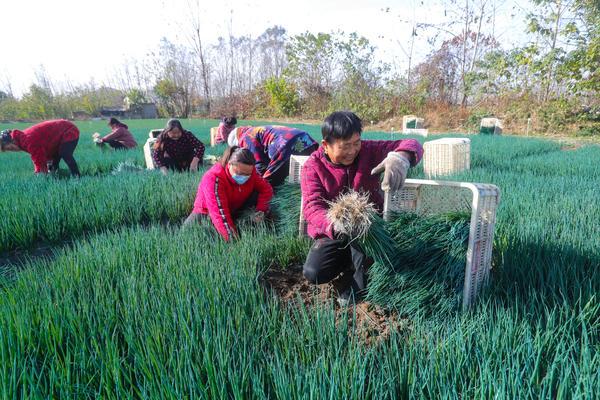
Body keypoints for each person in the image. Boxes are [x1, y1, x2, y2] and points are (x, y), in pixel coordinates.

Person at [300, 111, 424, 304]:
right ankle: (351, 262)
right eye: (345, 146)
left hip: (370, 227)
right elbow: (311, 206)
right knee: (314, 272)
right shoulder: (313, 166)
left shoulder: (369, 150)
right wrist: (336, 225)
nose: (352, 151)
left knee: (368, 249)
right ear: (326, 145)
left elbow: (411, 143)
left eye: (356, 143)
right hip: (335, 230)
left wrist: (401, 157)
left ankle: (360, 285)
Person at [184, 146, 273, 241]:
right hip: (207, 212)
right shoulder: (214, 178)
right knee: (189, 234)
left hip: (236, 206)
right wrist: (233, 240)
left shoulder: (251, 172)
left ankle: (241, 221)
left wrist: (261, 210)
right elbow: (219, 213)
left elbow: (267, 189)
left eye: (247, 174)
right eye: (239, 173)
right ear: (229, 164)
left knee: (256, 196)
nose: (244, 176)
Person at [227, 125, 318, 186]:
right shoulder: (253, 130)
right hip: (305, 138)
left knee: (268, 182)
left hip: (286, 143)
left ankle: (273, 203)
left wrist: (259, 181)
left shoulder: (246, 137)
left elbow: (259, 163)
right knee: (302, 176)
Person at [0, 119, 81, 177]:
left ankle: (76, 176)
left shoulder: (27, 140)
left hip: (69, 130)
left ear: (12, 141)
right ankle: (56, 174)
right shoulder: (21, 140)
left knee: (65, 153)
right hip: (56, 138)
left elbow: (38, 158)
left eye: (9, 148)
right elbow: (45, 151)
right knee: (53, 163)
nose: (11, 150)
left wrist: (39, 173)